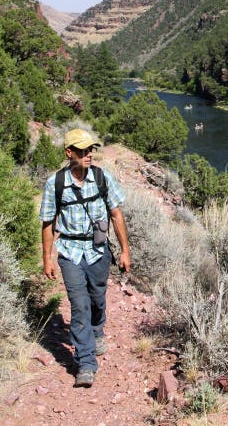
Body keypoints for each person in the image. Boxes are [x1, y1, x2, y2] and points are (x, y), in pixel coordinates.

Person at [39, 128, 132, 388]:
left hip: (98, 251)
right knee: (79, 306)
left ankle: (97, 329)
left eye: (91, 149)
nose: (89, 154)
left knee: (97, 298)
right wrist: (47, 258)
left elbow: (116, 215)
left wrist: (125, 250)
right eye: (82, 150)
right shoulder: (55, 184)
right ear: (69, 153)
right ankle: (86, 363)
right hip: (69, 253)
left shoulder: (103, 178)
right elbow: (48, 223)